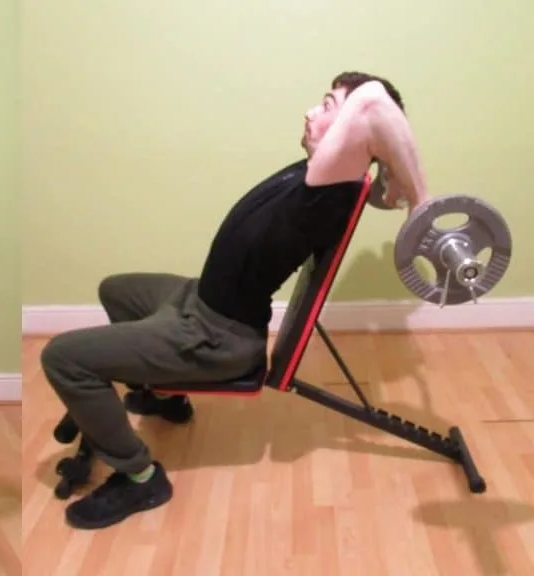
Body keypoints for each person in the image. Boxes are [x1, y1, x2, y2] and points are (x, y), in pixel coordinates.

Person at [40, 71, 431, 530]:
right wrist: (391, 171)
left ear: (357, 136)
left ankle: (139, 476)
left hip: (213, 336)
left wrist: (420, 203)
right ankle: (164, 395)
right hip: (198, 298)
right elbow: (371, 117)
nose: (310, 112)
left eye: (328, 107)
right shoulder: (321, 177)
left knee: (63, 358)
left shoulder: (329, 185)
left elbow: (372, 100)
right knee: (117, 289)